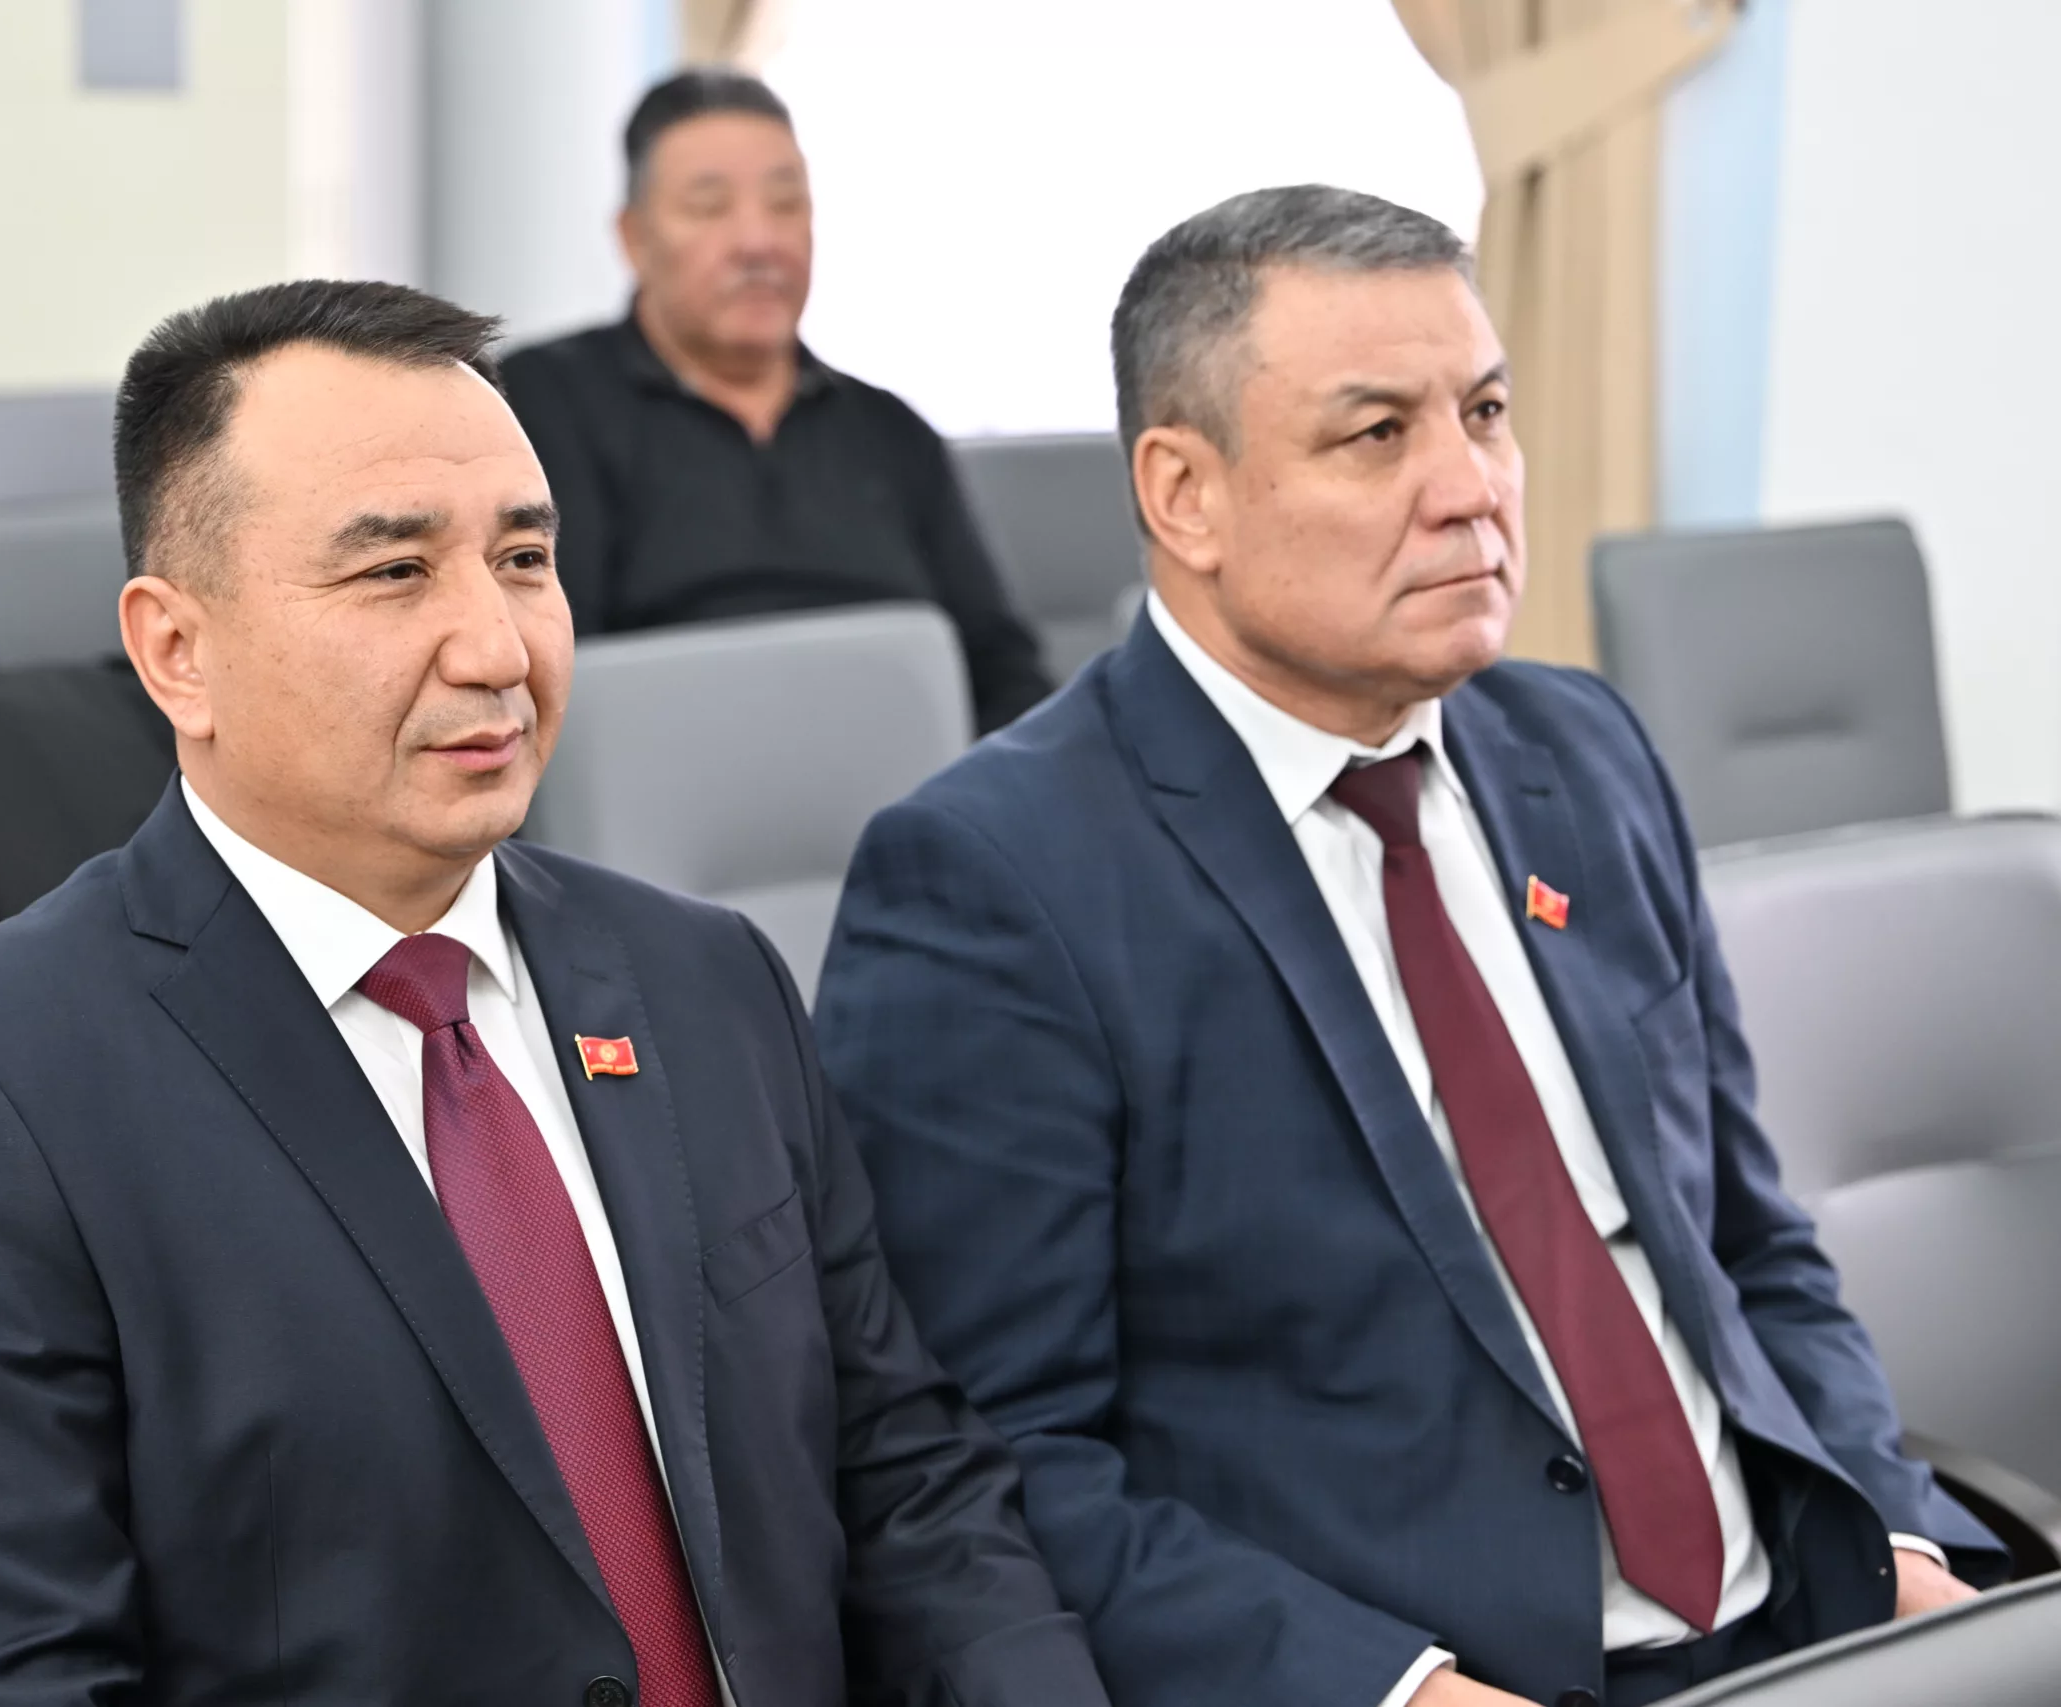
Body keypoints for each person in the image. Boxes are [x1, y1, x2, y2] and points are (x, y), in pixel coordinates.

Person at [0, 279, 1108, 1707]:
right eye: (394, 572)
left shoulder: (704, 981)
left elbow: (910, 1481)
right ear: (178, 651)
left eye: (523, 558)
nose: (498, 648)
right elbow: (2, 1673)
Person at [813, 186, 2004, 1707]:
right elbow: (998, 1462)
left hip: (1810, 1624)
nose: (1470, 488)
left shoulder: (1581, 751)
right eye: (1377, 434)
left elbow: (1748, 1243)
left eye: (1486, 413)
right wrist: (1402, 1691)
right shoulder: (994, 878)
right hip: (1427, 1674)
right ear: (1184, 493)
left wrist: (1893, 1538)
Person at [501, 70, 1051, 733]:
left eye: (786, 204)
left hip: (907, 785)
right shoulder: (540, 405)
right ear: (635, 239)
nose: (759, 242)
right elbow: (538, 666)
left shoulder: (891, 431)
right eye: (710, 207)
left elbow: (1006, 671)